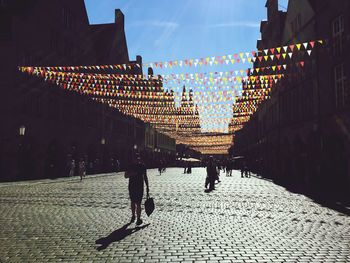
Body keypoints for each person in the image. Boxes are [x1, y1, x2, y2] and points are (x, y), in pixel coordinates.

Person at [125, 155, 149, 226]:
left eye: (138, 159)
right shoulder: (130, 166)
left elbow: (145, 177)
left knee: (138, 203)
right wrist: (132, 173)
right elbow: (125, 176)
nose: (137, 160)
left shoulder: (142, 166)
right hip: (133, 186)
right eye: (136, 159)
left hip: (139, 187)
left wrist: (147, 186)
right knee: (133, 202)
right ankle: (133, 216)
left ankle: (138, 219)